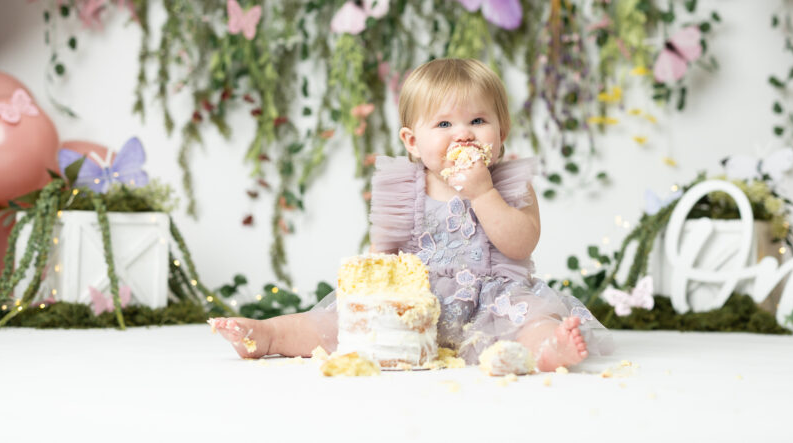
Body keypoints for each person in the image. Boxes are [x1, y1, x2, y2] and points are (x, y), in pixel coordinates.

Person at [211, 58, 611, 371]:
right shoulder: (403, 188)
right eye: (444, 123)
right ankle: (267, 335)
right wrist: (372, 300)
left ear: (501, 133)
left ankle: (546, 350)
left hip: (491, 303)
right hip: (413, 305)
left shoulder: (508, 184)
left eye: (478, 120)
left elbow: (521, 243)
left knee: (530, 321)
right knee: (335, 322)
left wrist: (482, 192)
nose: (463, 134)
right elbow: (381, 256)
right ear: (413, 141)